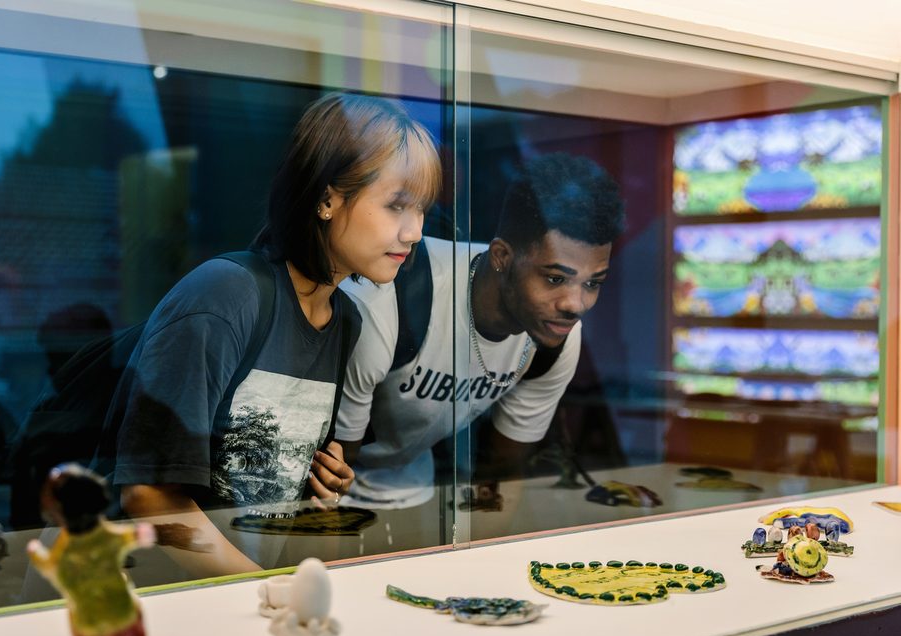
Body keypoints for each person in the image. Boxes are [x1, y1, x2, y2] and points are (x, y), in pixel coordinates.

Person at [100, 92, 442, 577]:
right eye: (396, 206)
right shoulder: (226, 295)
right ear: (326, 198)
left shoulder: (345, 320)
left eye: (421, 209)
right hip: (141, 603)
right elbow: (148, 493)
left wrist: (319, 474)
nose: (415, 232)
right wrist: (256, 587)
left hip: (236, 605)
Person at [336, 152, 624, 509]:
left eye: (593, 283)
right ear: (502, 256)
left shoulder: (556, 338)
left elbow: (501, 475)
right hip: (324, 493)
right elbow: (331, 471)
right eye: (555, 278)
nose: (574, 304)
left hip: (415, 490)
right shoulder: (391, 298)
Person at [27, 464, 154, 636]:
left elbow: (50, 567)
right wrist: (139, 535)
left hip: (88, 625)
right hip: (123, 614)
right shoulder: (109, 537)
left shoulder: (65, 552)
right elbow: (129, 537)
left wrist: (36, 553)